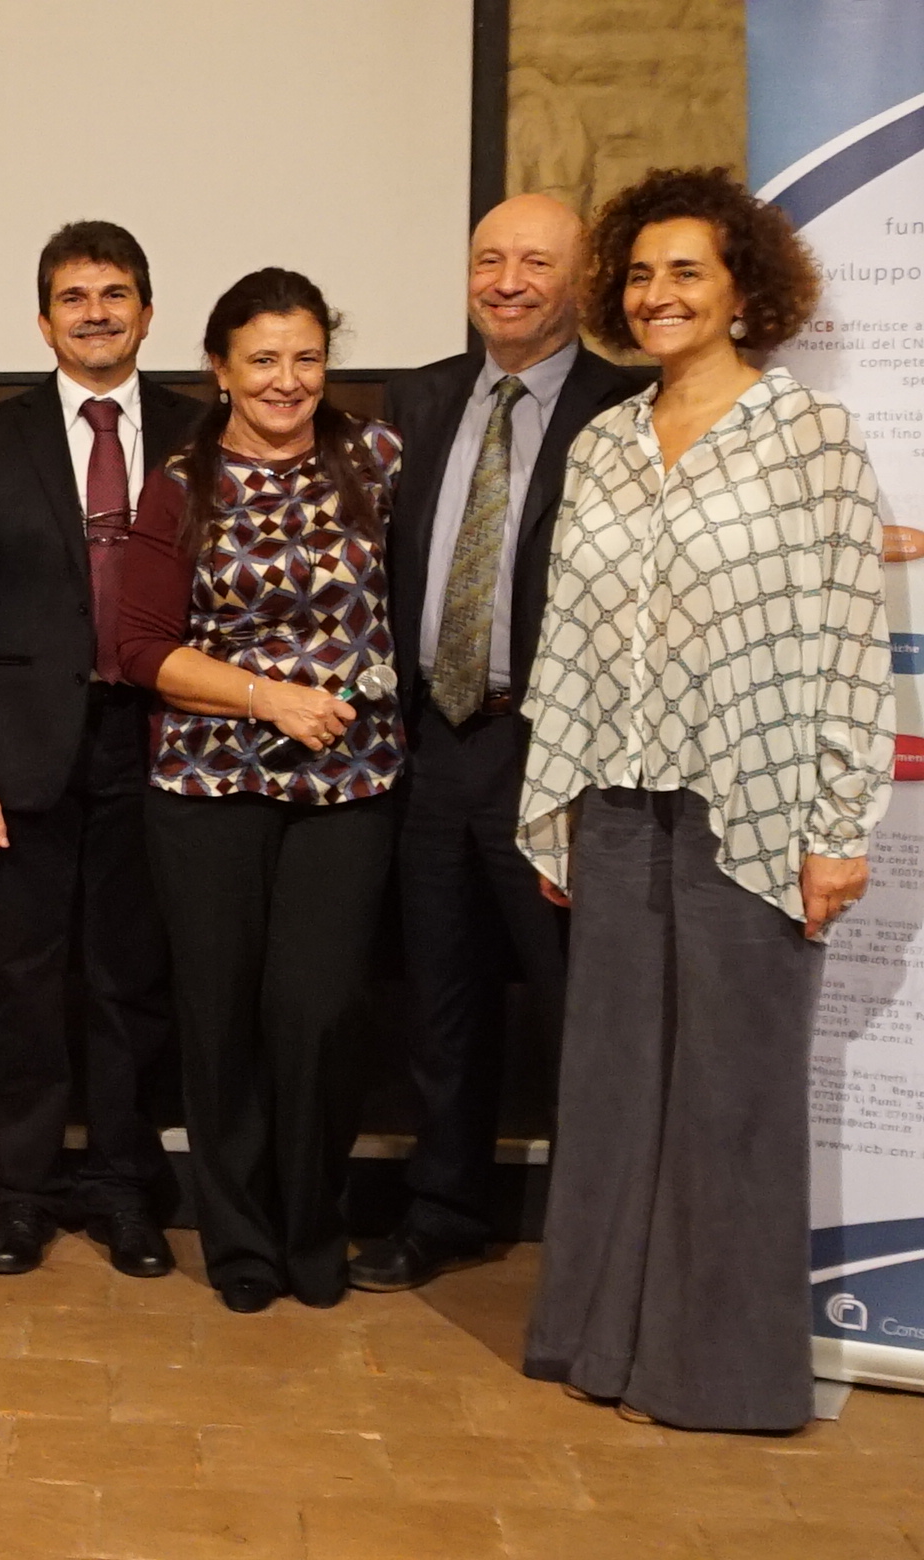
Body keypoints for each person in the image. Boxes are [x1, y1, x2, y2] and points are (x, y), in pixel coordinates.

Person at [517, 168, 888, 1433]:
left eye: (686, 272)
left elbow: (847, 636)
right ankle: (598, 1342)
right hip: (615, 806)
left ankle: (719, 1375)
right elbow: (567, 632)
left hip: (756, 808)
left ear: (743, 289)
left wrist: (836, 830)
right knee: (614, 1083)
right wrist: (551, 801)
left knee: (732, 1093)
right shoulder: (602, 443)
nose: (658, 295)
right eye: (639, 274)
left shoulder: (809, 439)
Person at [352, 195, 640, 1295]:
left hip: (555, 751)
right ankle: (443, 1210)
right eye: (487, 258)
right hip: (432, 739)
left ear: (579, 281)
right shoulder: (418, 399)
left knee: (576, 1002)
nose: (505, 280)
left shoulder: (628, 404)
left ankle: (597, 1241)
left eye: (533, 261)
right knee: (440, 997)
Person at [110, 268, 404, 1314]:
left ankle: (309, 1224)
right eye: (263, 360)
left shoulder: (376, 459)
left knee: (316, 1016)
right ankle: (238, 1240)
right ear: (219, 369)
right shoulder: (178, 481)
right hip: (203, 787)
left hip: (350, 787)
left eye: (306, 358)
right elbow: (138, 648)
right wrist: (266, 698)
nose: (287, 381)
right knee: (222, 1020)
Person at [0, 221, 202, 1282]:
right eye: (73, 296)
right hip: (20, 751)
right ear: (41, 318)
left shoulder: (198, 431)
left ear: (146, 309)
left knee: (131, 984)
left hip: (159, 744)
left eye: (115, 293)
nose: (95, 311)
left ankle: (125, 1193)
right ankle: (24, 1195)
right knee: (22, 983)